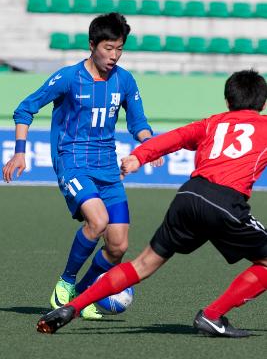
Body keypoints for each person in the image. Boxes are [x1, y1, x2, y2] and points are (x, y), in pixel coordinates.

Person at [37, 69, 267, 337]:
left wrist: (139, 157)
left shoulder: (211, 123)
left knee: (142, 265)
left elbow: (175, 138)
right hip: (225, 202)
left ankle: (72, 307)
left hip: (188, 197)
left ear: (227, 102)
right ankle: (213, 316)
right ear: (263, 104)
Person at [2, 12, 162, 320]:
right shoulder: (68, 77)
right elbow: (25, 108)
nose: (114, 56)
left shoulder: (124, 80)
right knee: (98, 221)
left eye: (119, 49)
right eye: (108, 48)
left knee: (118, 245)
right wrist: (19, 152)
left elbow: (138, 123)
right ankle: (66, 281)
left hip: (108, 168)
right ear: (92, 45)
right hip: (72, 162)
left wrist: (149, 145)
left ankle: (83, 296)